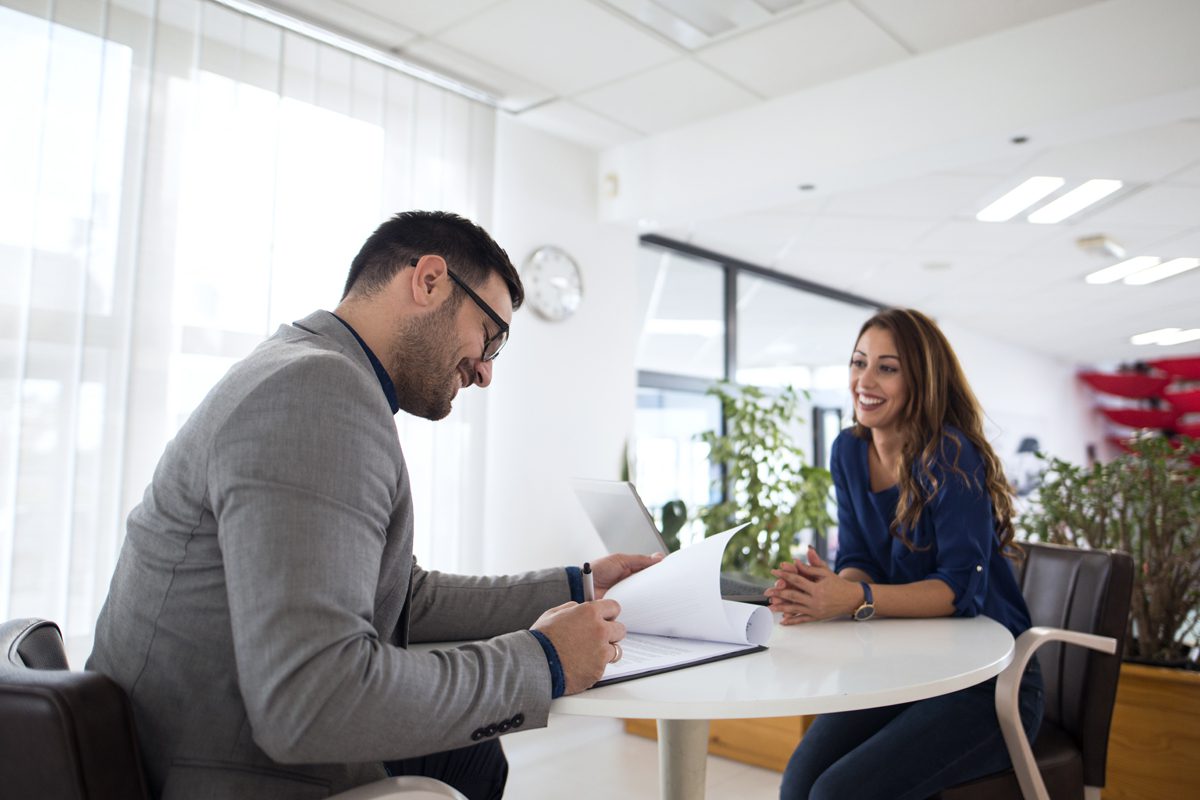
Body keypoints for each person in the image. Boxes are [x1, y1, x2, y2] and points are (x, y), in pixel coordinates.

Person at [86, 211, 659, 800]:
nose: (486, 372)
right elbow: (311, 698)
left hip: (186, 741)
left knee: (474, 757)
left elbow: (403, 595)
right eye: (490, 336)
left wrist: (578, 587)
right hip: (219, 771)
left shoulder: (307, 368)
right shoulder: (315, 392)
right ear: (429, 280)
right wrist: (544, 661)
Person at [767, 308, 1044, 800]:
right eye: (858, 362)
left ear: (921, 380)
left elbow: (960, 590)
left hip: (989, 682)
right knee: (798, 783)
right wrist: (828, 592)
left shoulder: (950, 455)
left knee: (837, 794)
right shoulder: (848, 451)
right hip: (907, 668)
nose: (864, 380)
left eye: (887, 367)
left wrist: (852, 598)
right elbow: (860, 556)